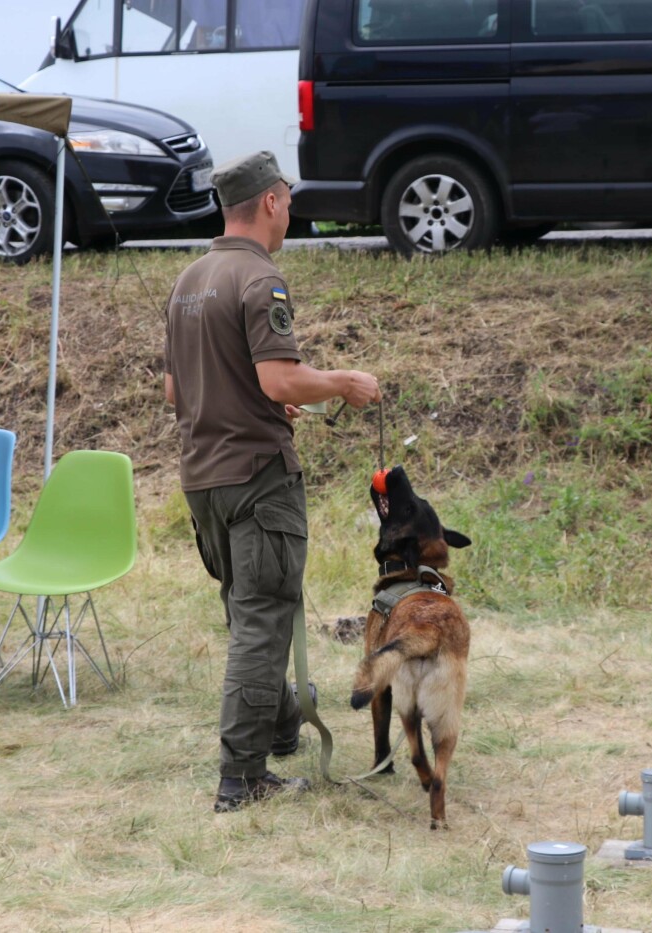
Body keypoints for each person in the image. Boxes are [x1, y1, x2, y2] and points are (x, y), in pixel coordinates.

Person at [163, 151, 381, 813]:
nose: (289, 210)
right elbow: (279, 378)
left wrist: (259, 402)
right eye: (286, 197)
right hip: (257, 476)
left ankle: (282, 729)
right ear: (269, 202)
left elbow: (179, 389)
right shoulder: (261, 278)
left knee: (250, 613)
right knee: (260, 625)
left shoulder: (189, 280)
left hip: (204, 478)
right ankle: (241, 776)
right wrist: (344, 384)